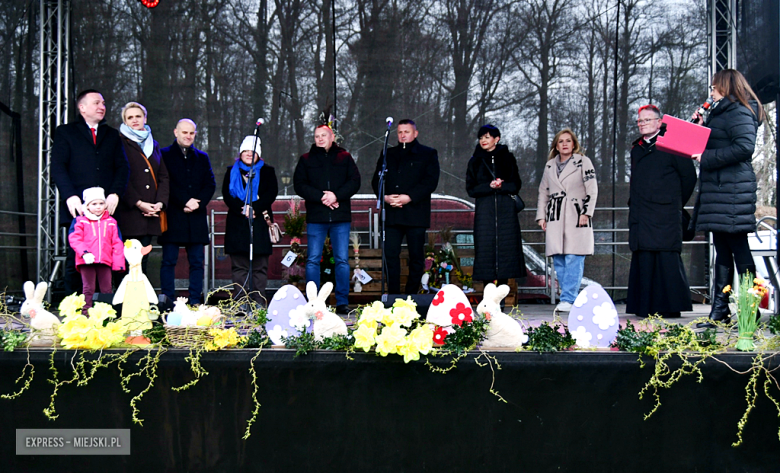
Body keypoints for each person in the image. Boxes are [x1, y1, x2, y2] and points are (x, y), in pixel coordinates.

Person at [691, 69, 764, 327]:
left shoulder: (740, 111)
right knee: (722, 249)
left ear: (725, 86)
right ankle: (720, 310)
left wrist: (707, 158)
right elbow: (715, 144)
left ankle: (749, 310)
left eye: (713, 87)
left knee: (737, 248)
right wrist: (699, 127)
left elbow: (744, 147)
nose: (711, 92)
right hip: (720, 190)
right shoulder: (721, 113)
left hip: (732, 191)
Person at [51, 89, 129, 295]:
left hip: (107, 209)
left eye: (103, 103)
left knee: (110, 257)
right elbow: (58, 166)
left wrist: (115, 194)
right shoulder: (66, 132)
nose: (101, 106)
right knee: (76, 258)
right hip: (79, 207)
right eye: (96, 103)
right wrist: (70, 195)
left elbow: (123, 167)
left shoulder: (112, 135)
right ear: (82, 107)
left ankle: (107, 306)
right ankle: (75, 309)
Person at [626, 105, 697, 318]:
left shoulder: (672, 144)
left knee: (666, 258)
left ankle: (669, 306)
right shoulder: (636, 148)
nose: (642, 124)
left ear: (659, 122)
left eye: (647, 120)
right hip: (642, 214)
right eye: (640, 121)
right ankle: (644, 305)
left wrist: (674, 201)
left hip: (666, 213)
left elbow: (689, 178)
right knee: (645, 257)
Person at [293, 125, 360, 314]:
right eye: (317, 136)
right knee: (313, 260)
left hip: (340, 217)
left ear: (332, 137)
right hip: (316, 216)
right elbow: (299, 184)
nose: (320, 139)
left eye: (324, 135)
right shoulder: (306, 159)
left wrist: (336, 196)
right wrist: (322, 197)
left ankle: (342, 303)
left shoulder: (345, 157)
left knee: (342, 260)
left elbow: (355, 181)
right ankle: (313, 303)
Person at [371, 119, 440, 295]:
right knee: (391, 256)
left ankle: (411, 295)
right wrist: (385, 197)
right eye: (400, 132)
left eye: (406, 132)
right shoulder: (388, 153)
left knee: (416, 257)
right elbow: (376, 180)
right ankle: (393, 295)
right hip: (392, 214)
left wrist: (408, 198)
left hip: (415, 214)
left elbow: (430, 182)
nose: (403, 135)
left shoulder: (428, 153)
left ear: (415, 133)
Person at [536, 129, 598, 313]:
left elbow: (592, 189)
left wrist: (586, 212)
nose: (564, 144)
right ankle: (568, 297)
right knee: (560, 258)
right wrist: (541, 216)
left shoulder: (583, 162)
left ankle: (568, 298)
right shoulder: (549, 166)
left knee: (574, 257)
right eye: (561, 141)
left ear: (574, 144)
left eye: (568, 141)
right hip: (555, 215)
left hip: (576, 213)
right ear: (556, 145)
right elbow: (543, 192)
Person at [159, 119, 216, 305]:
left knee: (197, 263)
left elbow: (210, 184)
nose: (188, 136)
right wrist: (185, 200)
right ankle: (167, 302)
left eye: (191, 133)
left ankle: (194, 302)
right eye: (185, 132)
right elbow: (166, 183)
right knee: (169, 261)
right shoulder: (164, 155)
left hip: (196, 218)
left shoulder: (202, 157)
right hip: (174, 216)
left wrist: (197, 203)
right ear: (176, 132)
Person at [466, 124, 526, 289]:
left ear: (496, 139)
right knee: (485, 253)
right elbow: (471, 189)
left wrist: (502, 186)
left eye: (487, 137)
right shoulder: (475, 161)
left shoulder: (507, 157)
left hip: (506, 212)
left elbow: (516, 184)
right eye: (481, 137)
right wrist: (489, 186)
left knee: (506, 253)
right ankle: (488, 298)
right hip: (485, 213)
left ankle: (501, 298)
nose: (483, 140)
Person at [222, 135, 278, 305]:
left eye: (252, 151)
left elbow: (270, 193)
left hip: (259, 223)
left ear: (258, 154)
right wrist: (243, 208)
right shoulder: (231, 171)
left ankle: (258, 302)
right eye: (245, 151)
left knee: (260, 267)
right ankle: (240, 302)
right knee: (240, 267)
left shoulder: (268, 171)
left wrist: (255, 208)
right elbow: (227, 195)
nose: (248, 154)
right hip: (238, 223)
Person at [116, 102, 169, 274]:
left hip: (151, 214)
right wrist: (138, 203)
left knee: (143, 260)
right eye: (129, 117)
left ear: (145, 118)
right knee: (126, 261)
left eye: (138, 116)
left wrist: (159, 203)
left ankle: (140, 300)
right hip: (129, 213)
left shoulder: (153, 144)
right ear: (124, 121)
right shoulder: (119, 143)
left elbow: (163, 176)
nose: (134, 120)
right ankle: (123, 300)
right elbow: (120, 176)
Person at [68, 187, 125, 310]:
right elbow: (74, 239)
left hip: (105, 261)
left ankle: (107, 313)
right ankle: (86, 313)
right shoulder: (80, 221)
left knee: (107, 288)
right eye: (94, 204)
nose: (98, 207)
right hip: (86, 261)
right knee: (88, 288)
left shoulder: (111, 222)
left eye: (101, 203)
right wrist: (84, 253)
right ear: (87, 206)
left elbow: (117, 243)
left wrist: (118, 263)